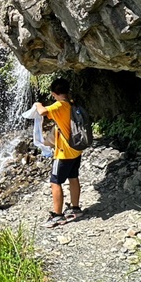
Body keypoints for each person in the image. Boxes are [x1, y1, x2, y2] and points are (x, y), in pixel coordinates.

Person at [34, 77, 83, 227]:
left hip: (63, 153)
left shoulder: (59, 105)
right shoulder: (72, 103)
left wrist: (37, 104)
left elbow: (42, 112)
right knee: (73, 178)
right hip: (76, 150)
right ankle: (75, 208)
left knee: (55, 182)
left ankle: (58, 215)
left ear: (54, 93)